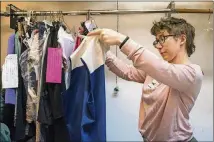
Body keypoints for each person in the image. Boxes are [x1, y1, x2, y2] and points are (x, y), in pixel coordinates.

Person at [87, 17, 203, 142]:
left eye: (162, 38)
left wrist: (121, 39)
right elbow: (128, 72)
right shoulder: (157, 71)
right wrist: (105, 52)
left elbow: (160, 68)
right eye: (156, 41)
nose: (158, 46)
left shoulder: (192, 74)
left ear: (182, 39)